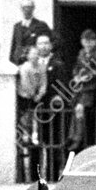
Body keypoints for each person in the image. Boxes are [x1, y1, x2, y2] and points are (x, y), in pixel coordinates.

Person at [36, 32, 69, 181]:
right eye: (40, 43)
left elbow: (62, 86)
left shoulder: (57, 64)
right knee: (38, 142)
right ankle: (34, 176)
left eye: (45, 43)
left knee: (54, 142)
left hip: (53, 109)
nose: (43, 46)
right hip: (37, 108)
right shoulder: (32, 63)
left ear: (50, 46)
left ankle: (53, 174)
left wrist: (58, 99)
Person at [69, 29, 96, 150]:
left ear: (95, 42)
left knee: (81, 110)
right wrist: (76, 76)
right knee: (76, 111)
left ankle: (78, 139)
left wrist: (87, 76)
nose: (88, 44)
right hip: (80, 89)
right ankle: (73, 136)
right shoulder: (81, 53)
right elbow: (76, 67)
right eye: (85, 41)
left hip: (90, 89)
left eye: (91, 41)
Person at [9, 0, 51, 64]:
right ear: (21, 9)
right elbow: (14, 46)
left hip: (34, 62)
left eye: (29, 7)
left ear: (33, 8)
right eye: (24, 7)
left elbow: (50, 42)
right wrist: (11, 63)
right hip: (18, 62)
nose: (26, 10)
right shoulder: (17, 26)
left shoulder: (40, 25)